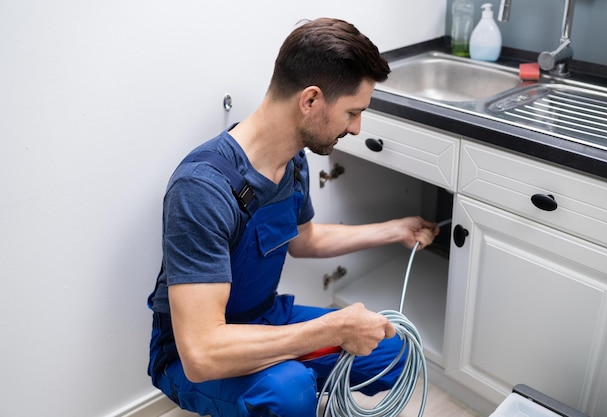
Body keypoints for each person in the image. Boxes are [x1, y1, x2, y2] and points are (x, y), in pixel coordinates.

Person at [147, 17, 439, 417]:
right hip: (194, 354)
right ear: (311, 100)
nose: (356, 129)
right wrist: (330, 331)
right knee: (289, 391)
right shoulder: (202, 190)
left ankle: (281, 387)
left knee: (391, 349)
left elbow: (305, 240)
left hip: (266, 318)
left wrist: (394, 230)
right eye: (353, 112)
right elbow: (201, 353)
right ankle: (281, 392)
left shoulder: (293, 161)